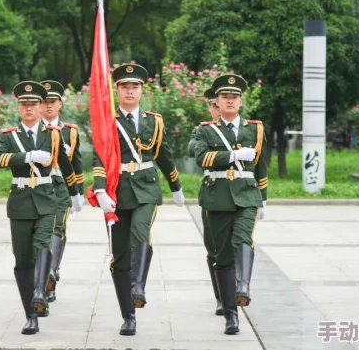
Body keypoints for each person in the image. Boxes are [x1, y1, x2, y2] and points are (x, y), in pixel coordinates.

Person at [90, 63, 185, 336]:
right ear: (116, 90)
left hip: (147, 189)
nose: (130, 91)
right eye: (124, 86)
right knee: (120, 257)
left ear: (142, 90)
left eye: (135, 86)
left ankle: (138, 285)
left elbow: (164, 155)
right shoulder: (107, 121)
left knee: (140, 232)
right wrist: (100, 190)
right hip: (117, 190)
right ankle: (128, 315)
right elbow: (99, 158)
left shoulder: (154, 121)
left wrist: (175, 185)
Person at [0, 81, 83, 334]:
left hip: (47, 198)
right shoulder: (8, 136)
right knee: (22, 261)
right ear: (19, 107)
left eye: (33, 104)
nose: (29, 108)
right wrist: (27, 157)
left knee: (43, 243)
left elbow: (65, 165)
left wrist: (75, 193)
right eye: (24, 104)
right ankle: (30, 314)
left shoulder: (53, 134)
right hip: (20, 201)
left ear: (41, 106)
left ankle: (40, 292)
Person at [193, 74, 268, 335]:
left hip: (247, 195)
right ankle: (230, 315)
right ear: (217, 100)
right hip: (218, 197)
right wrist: (233, 155)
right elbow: (201, 157)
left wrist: (264, 196)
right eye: (225, 97)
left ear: (240, 101)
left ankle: (243, 286)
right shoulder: (205, 130)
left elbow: (261, 164)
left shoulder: (255, 128)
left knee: (243, 239)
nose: (229, 100)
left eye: (234, 97)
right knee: (223, 256)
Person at [39, 80, 84, 303]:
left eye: (52, 102)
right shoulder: (32, 130)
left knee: (57, 229)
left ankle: (50, 274)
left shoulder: (70, 132)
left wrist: (79, 193)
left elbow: (76, 163)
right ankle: (48, 273)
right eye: (44, 102)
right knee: (41, 233)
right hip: (37, 187)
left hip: (61, 188)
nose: (48, 106)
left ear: (59, 105)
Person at [187, 88, 223, 316]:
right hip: (212, 192)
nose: (219, 109)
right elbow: (193, 150)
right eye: (214, 105)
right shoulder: (202, 130)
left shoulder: (244, 130)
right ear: (210, 107)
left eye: (221, 104)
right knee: (213, 248)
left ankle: (237, 288)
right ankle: (220, 296)